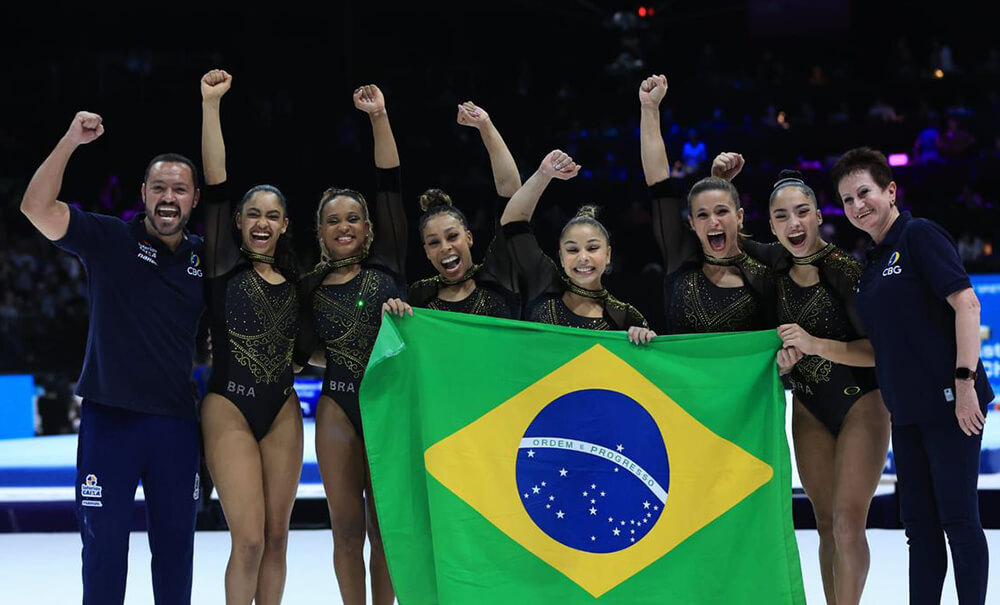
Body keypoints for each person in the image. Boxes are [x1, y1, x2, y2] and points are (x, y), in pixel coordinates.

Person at [20, 112, 204, 604]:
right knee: (102, 554)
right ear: (143, 192)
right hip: (110, 424)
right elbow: (35, 207)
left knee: (175, 554)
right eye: (159, 187)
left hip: (176, 428)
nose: (169, 198)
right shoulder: (109, 239)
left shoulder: (207, 261)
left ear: (194, 199)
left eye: (180, 189)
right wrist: (69, 141)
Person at [716, 155, 891, 605]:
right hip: (810, 406)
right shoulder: (772, 262)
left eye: (801, 213)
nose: (793, 223)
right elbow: (723, 233)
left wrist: (816, 346)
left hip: (862, 405)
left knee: (850, 522)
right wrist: (720, 182)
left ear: (818, 216)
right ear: (771, 226)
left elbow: (879, 352)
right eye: (781, 216)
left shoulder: (846, 272)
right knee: (826, 522)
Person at [833, 146, 993, 605]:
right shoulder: (873, 262)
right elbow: (881, 349)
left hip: (951, 405)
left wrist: (964, 385)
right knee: (919, 529)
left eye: (864, 192)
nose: (857, 205)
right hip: (906, 413)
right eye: (846, 200)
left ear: (890, 189)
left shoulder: (918, 235)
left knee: (959, 521)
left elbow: (967, 304)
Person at [293, 84, 404, 605]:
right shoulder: (309, 286)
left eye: (353, 218)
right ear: (319, 231)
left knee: (385, 530)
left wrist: (378, 116)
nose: (344, 226)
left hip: (389, 405)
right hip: (338, 404)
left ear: (369, 228)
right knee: (346, 530)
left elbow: (387, 181)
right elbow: (299, 350)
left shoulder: (390, 266)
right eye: (333, 220)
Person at [199, 69, 303, 605]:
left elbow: (314, 345)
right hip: (229, 407)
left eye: (273, 216)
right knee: (250, 539)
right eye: (253, 214)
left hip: (282, 407)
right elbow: (215, 182)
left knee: (280, 538)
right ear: (238, 222)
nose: (262, 222)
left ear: (285, 225)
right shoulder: (220, 264)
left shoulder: (300, 283)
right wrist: (211, 105)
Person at [638, 74, 774, 335]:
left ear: (740, 216)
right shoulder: (681, 256)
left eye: (722, 211)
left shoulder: (763, 271)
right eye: (702, 214)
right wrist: (649, 108)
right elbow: (659, 184)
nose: (713, 221)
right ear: (691, 223)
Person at [499, 150, 655, 343]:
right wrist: (543, 174)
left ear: (608, 255)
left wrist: (647, 341)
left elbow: (648, 367)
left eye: (592, 248)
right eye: (572, 249)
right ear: (561, 257)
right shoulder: (544, 283)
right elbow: (512, 223)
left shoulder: (624, 315)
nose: (583, 257)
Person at [385, 101, 521, 319]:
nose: (445, 247)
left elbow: (512, 196)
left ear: (469, 237)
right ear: (426, 252)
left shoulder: (497, 275)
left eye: (452, 236)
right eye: (434, 242)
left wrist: (485, 125)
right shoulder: (419, 296)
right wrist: (392, 315)